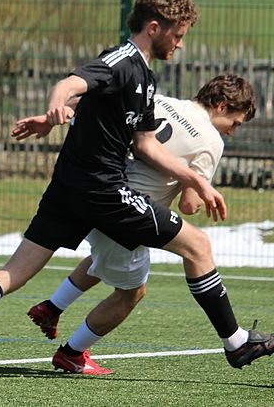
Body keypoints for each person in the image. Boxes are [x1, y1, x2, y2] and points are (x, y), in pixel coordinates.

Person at [0, 0, 274, 377]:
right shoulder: (122, 60)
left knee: (14, 272)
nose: (180, 44)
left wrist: (50, 120)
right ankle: (236, 344)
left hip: (67, 188)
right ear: (154, 28)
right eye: (178, 35)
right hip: (104, 190)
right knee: (197, 245)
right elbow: (70, 84)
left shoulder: (146, 81)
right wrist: (55, 107)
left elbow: (144, 143)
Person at [17, 75, 258, 374]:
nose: (232, 131)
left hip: (98, 192)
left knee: (106, 258)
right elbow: (188, 205)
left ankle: (51, 308)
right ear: (221, 105)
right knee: (134, 290)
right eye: (235, 123)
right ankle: (72, 353)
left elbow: (99, 107)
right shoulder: (211, 140)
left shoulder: (161, 102)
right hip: (127, 213)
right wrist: (197, 187)